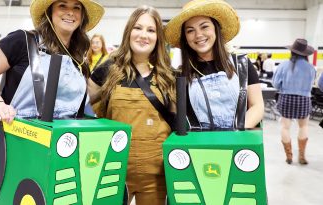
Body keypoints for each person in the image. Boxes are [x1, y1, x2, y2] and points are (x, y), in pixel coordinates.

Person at [88, 5, 176, 205]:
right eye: (138, 28)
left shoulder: (168, 75)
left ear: (158, 37)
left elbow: (177, 124)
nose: (144, 35)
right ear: (129, 31)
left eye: (151, 30)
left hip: (156, 177)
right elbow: (82, 108)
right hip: (113, 172)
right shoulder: (108, 70)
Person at [0, 0, 104, 123]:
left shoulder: (79, 60)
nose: (70, 12)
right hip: (18, 135)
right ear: (49, 11)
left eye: (77, 7)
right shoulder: (23, 41)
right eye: (62, 5)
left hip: (65, 140)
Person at [164, 0, 264, 129]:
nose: (198, 35)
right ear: (185, 38)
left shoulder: (242, 64)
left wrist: (235, 134)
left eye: (204, 26)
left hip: (238, 143)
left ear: (216, 29)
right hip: (198, 146)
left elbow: (257, 106)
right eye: (190, 30)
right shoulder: (180, 75)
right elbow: (178, 117)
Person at [272, 38, 316, 165]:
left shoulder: (283, 65)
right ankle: (301, 156)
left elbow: (275, 83)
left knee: (285, 127)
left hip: (286, 98)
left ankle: (289, 156)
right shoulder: (310, 68)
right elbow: (312, 83)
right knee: (304, 126)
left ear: (292, 51)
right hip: (304, 99)